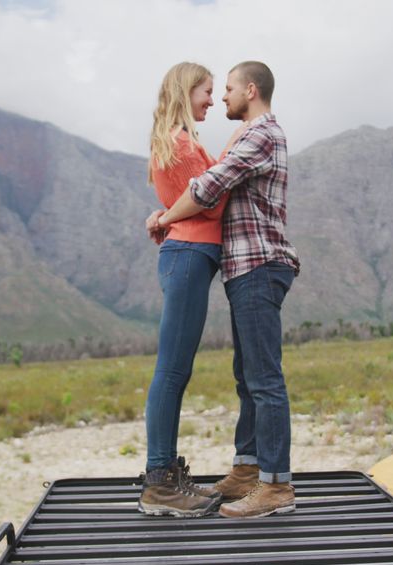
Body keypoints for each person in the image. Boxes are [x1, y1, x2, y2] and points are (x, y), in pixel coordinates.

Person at [153, 61, 300, 518]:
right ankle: (248, 467)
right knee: (247, 376)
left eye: (229, 89)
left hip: (258, 264)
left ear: (250, 90)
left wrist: (164, 218)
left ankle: (275, 486)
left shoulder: (261, 134)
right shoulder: (250, 137)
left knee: (263, 379)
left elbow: (209, 186)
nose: (221, 99)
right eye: (214, 91)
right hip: (244, 268)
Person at [137, 62, 246, 518]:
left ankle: (166, 475)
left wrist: (164, 216)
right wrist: (236, 149)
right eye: (206, 91)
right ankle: (159, 481)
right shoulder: (181, 144)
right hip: (187, 257)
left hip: (189, 257)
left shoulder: (180, 141)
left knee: (176, 370)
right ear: (187, 92)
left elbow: (191, 197)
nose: (211, 100)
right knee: (172, 371)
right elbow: (212, 197)